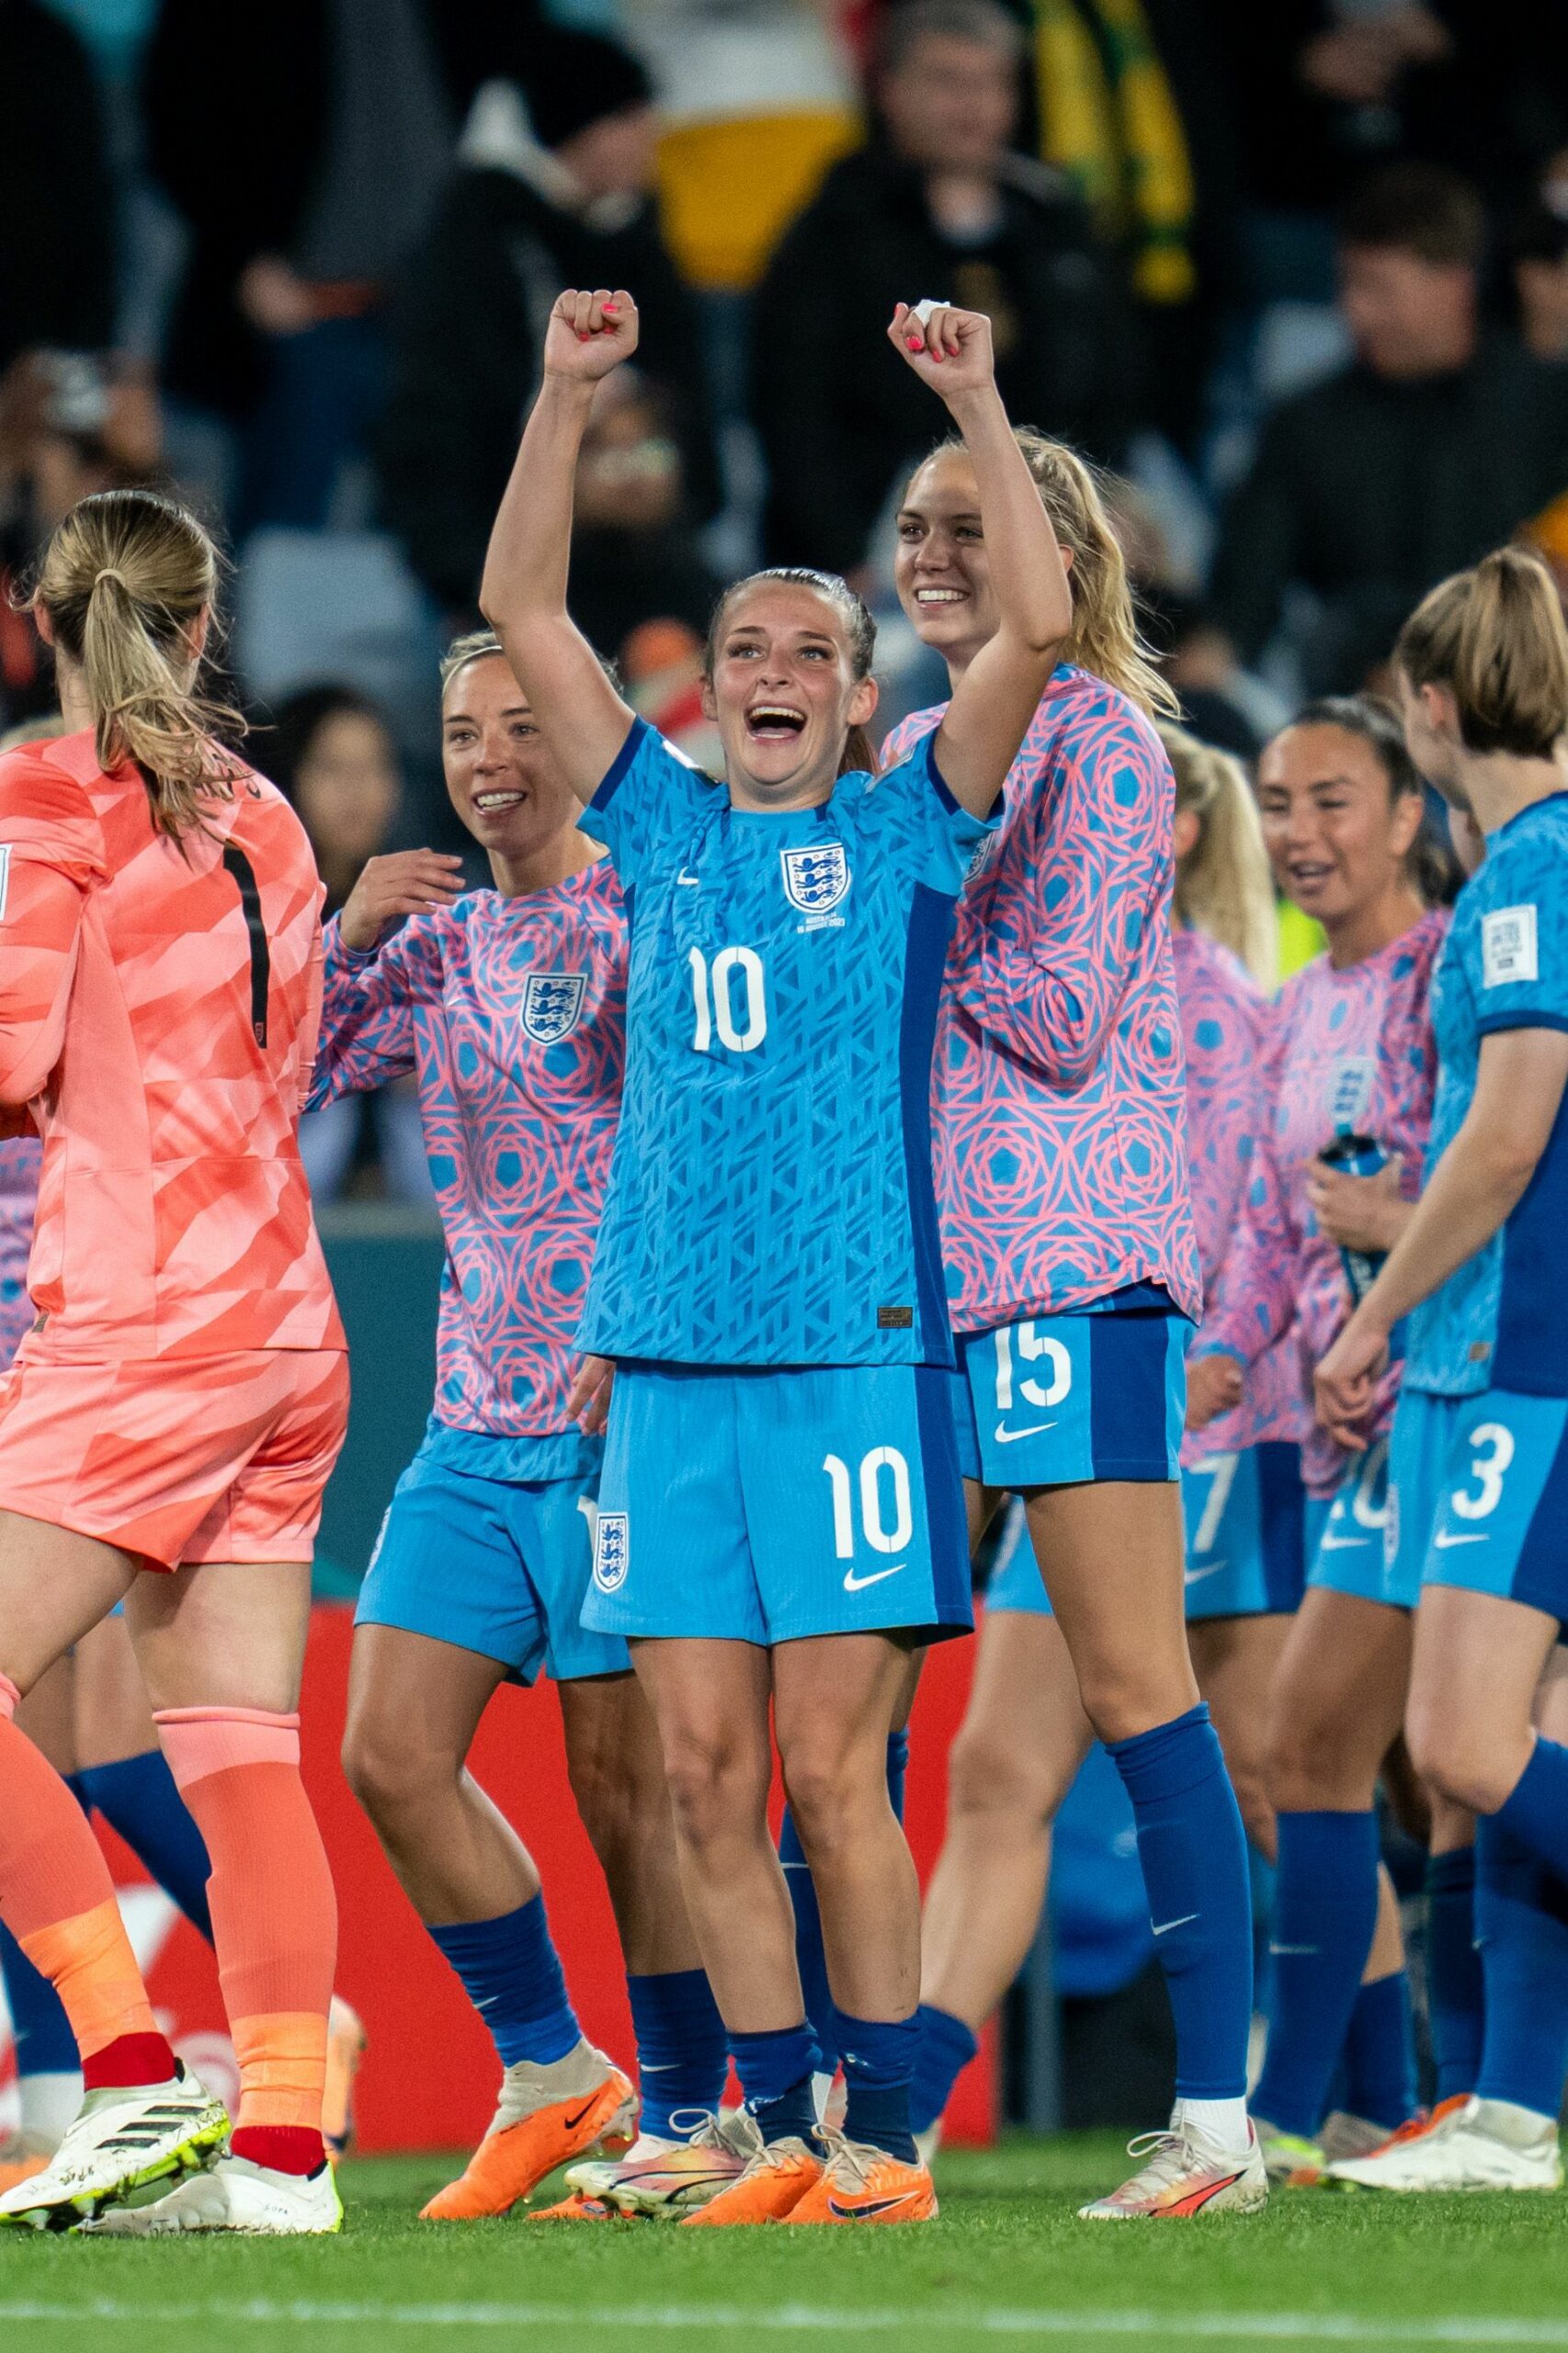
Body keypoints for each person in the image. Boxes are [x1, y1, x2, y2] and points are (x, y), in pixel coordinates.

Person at [479, 282, 1073, 2225]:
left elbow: (1047, 625)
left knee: (835, 1765)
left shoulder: (909, 831)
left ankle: (886, 2144)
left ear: (855, 687)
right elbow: (525, 608)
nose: (778, 667)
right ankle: (783, 2118)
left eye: (815, 646)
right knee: (693, 1776)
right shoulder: (653, 825)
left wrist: (978, 402)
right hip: (662, 1359)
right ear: (709, 685)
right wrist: (568, 394)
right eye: (748, 643)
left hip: (851, 1350)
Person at [314, 629, 744, 2224]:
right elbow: (263, 1081)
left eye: (517, 723)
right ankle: (557, 2072)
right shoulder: (432, 945)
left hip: (617, 1417)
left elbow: (714, 1131)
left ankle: (694, 2116)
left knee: (628, 1793)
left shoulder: (647, 909)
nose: (490, 755)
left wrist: (648, 1335)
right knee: (389, 1754)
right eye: (461, 730)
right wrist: (328, 932)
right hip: (470, 1422)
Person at [885, 441, 1265, 2220]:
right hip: (915, 1289)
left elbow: (1052, 1018)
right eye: (914, 529)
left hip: (1067, 1271)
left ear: (1060, 557)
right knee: (855, 1683)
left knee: (1136, 1694)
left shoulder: (1108, 742)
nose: (930, 554)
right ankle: (860, 2106)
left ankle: (1215, 2129)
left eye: (969, 528)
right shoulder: (911, 751)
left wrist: (907, 922)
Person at [0, 486, 348, 2236]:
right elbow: (284, 1057)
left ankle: (130, 2084)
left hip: (143, 1322)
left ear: (36, 619)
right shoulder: (265, 811)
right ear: (203, 627)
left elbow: (4, 1060)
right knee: (236, 1751)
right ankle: (283, 2158)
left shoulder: (44, 797)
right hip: (287, 1320)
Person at [1318, 550, 1568, 2192]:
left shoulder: (1526, 875)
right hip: (1528, 1357)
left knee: (1465, 1749)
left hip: (1526, 1361)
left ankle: (1506, 2109)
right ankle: (1517, 2111)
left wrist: (1366, 1317)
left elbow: (1501, 1136)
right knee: (1531, 1734)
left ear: (1427, 705)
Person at [1187, 696, 1452, 2183]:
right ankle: (1402, 2103)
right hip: (1358, 1430)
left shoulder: (1452, 982)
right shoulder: (1300, 1010)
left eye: (1335, 801)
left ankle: (1320, 2107)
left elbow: (1508, 1202)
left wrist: (1393, 1258)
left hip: (1480, 1400)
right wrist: (1237, 1356)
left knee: (1409, 1761)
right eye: (1279, 806)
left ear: (1410, 813)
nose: (1300, 835)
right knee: (1352, 1760)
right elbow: (1280, 1237)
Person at [754, 0, 1138, 575]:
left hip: (1049, 512)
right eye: (947, 81)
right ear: (891, 90)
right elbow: (794, 417)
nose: (973, 106)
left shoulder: (1055, 221)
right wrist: (841, 555)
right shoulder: (833, 232)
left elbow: (1115, 384)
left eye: (992, 83)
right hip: (885, 531)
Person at [375, 31, 719, 625]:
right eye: (626, 118)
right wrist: (461, 568)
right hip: (502, 549)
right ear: (577, 129)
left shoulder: (640, 236)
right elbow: (439, 413)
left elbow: (684, 388)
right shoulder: (480, 237)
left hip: (652, 556)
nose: (648, 138)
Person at [1209, 165, 1568, 695]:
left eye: (1379, 288)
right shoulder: (1305, 426)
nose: (1355, 311)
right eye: (1348, 285)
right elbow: (1243, 604)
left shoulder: (1549, 407)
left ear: (1454, 284)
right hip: (1364, 712)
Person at [267, 684, 431, 1206]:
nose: (358, 792)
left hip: (414, 1175)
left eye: (375, 768)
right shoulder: (260, 908)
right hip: (297, 1161)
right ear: (289, 777)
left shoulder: (426, 907)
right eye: (333, 769)